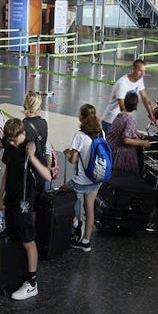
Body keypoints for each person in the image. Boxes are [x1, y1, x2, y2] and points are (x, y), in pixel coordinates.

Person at [0, 118, 53, 299]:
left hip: (24, 200)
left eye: (15, 140)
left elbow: (48, 176)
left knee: (28, 240)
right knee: (13, 235)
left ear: (22, 134)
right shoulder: (10, 145)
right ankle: (16, 272)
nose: (12, 144)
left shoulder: (31, 147)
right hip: (11, 198)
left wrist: (32, 158)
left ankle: (32, 282)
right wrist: (0, 195)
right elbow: (7, 171)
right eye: (10, 141)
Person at [65, 104, 104, 252]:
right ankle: (86, 241)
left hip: (80, 180)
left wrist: (67, 152)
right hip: (96, 178)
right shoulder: (101, 132)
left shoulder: (80, 135)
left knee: (64, 192)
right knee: (90, 210)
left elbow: (73, 160)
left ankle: (75, 222)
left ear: (81, 117)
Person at [103, 59, 156, 128]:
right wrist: (130, 125)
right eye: (140, 71)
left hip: (123, 119)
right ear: (132, 70)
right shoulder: (122, 83)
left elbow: (144, 97)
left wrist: (152, 116)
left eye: (144, 71)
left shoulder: (139, 80)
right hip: (111, 121)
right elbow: (122, 107)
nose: (143, 74)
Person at [106, 92, 149, 176]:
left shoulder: (119, 116)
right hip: (122, 156)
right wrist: (143, 143)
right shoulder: (130, 120)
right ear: (136, 106)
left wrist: (134, 131)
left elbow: (120, 129)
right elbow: (126, 140)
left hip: (112, 152)